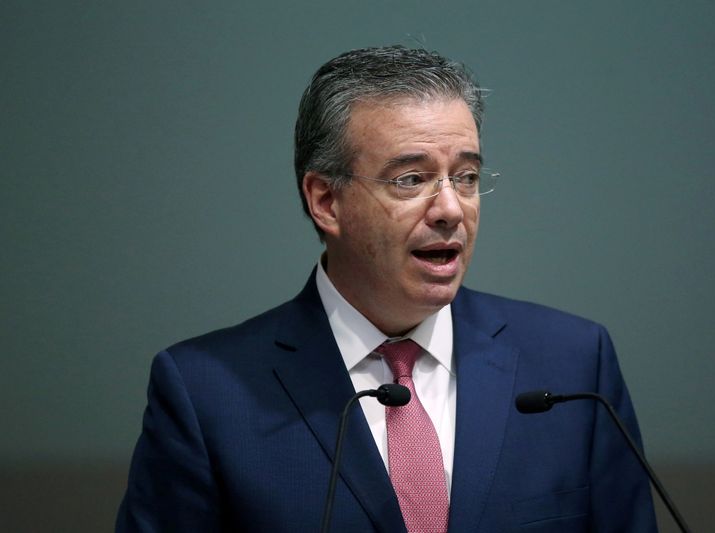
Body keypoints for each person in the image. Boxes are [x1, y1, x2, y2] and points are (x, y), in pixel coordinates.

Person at [116, 46, 657, 532]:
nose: (450, 209)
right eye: (411, 179)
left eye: (466, 177)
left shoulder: (572, 365)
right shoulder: (207, 392)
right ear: (326, 201)